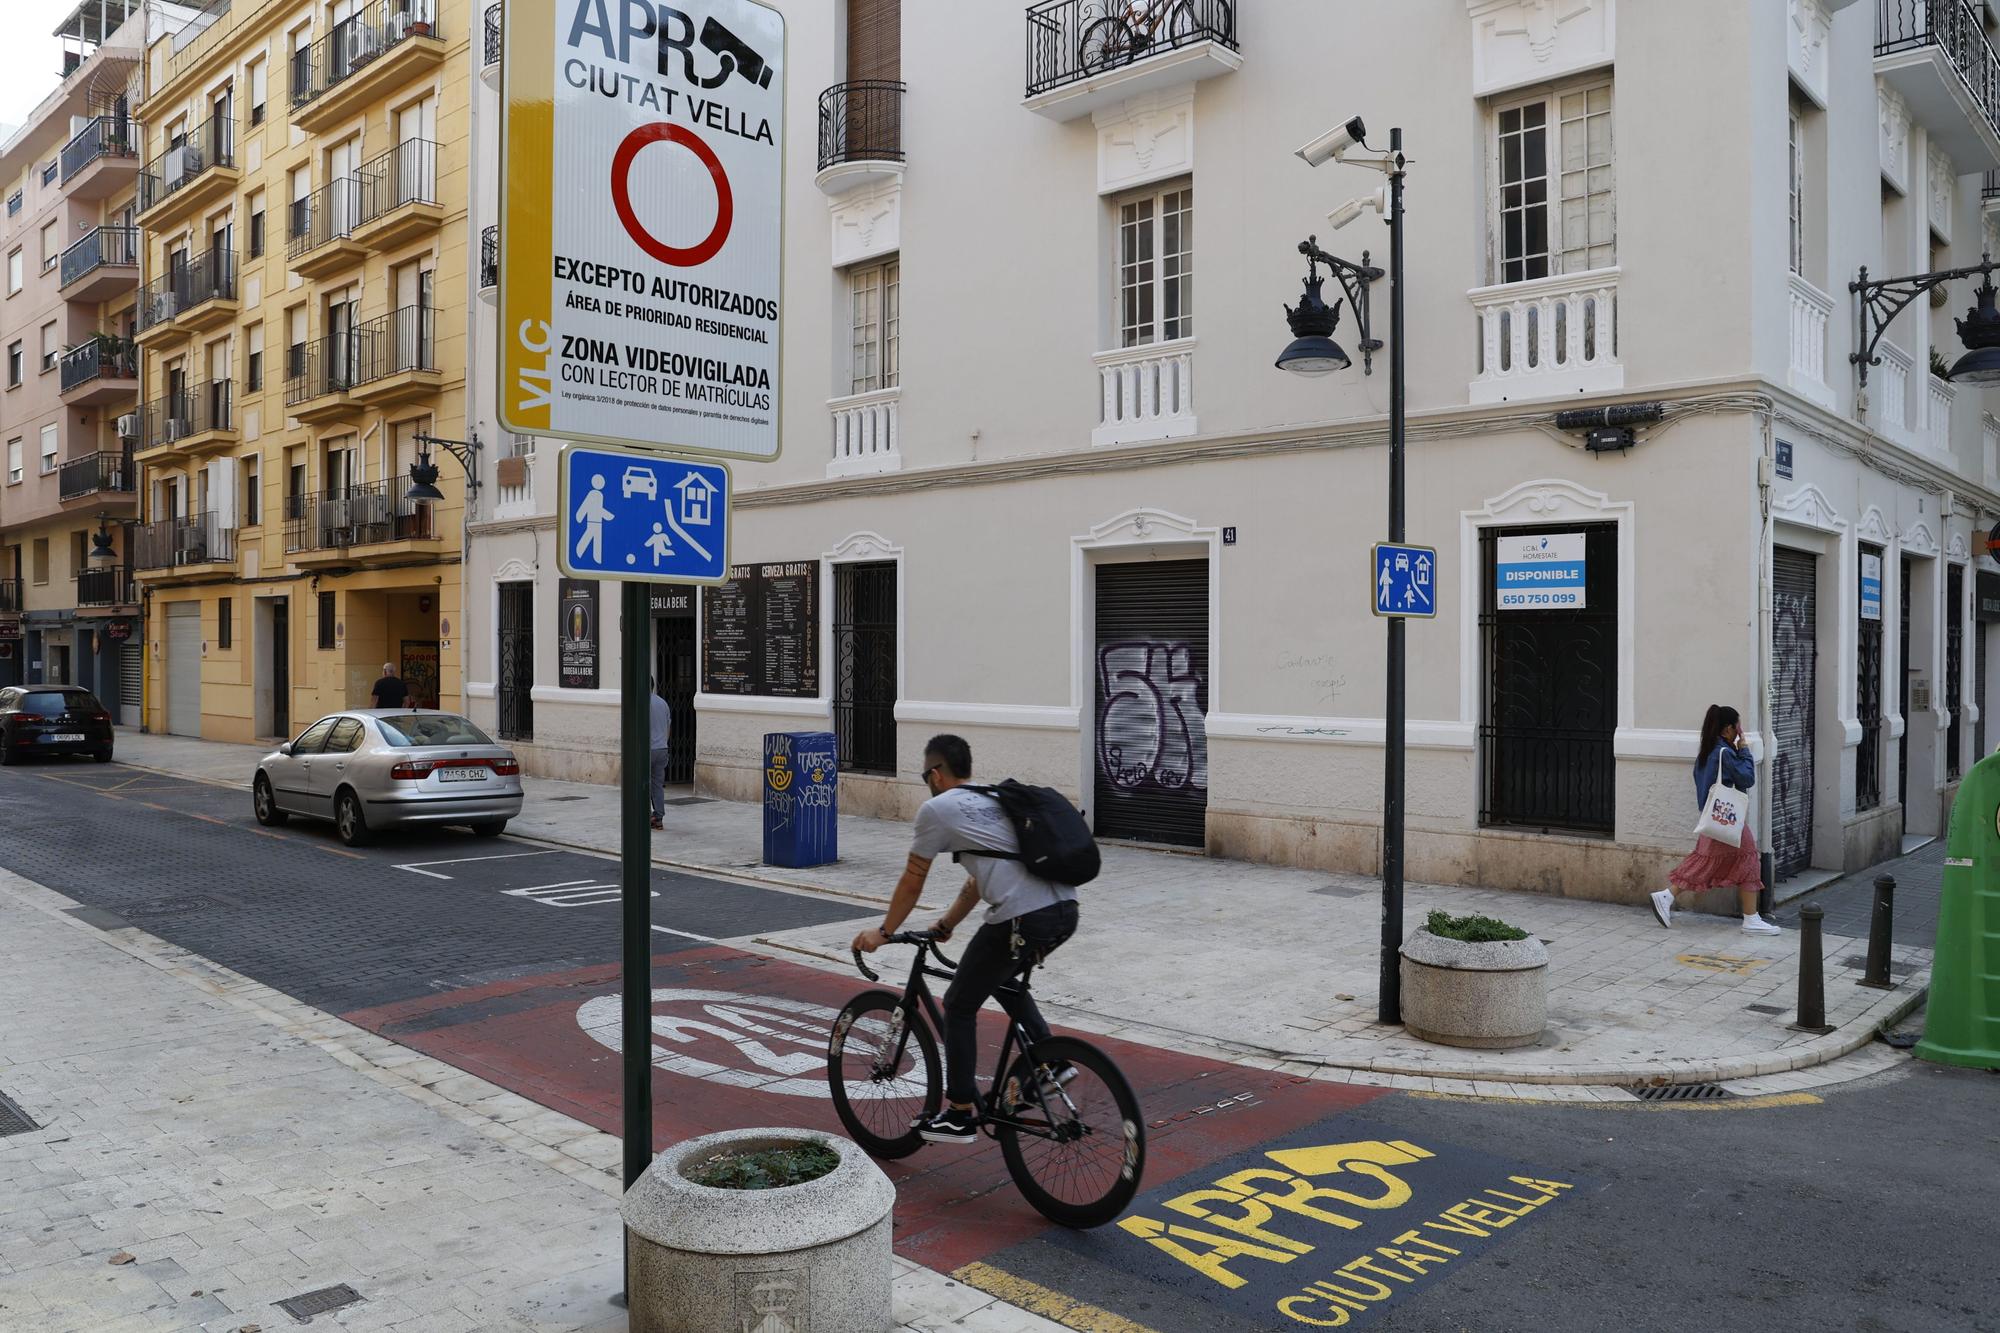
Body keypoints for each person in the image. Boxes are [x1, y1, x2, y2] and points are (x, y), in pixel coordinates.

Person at [852, 734, 1080, 1145]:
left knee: (958, 1003)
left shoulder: (937, 809)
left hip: (1021, 917)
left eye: (926, 776)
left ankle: (958, 1113)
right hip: (1063, 911)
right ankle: (1049, 1061)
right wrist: (947, 924)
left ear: (936, 774)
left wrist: (883, 933)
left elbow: (913, 878)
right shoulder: (994, 798)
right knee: (1003, 977)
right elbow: (979, 880)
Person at [1653, 704, 1779, 935]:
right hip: (1728, 818)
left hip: (1714, 817)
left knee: (1707, 861)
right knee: (1749, 858)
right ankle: (1751, 919)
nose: (1740, 732)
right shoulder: (1726, 753)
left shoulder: (1708, 752)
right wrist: (1744, 749)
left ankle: (1666, 896)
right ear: (1728, 729)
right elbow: (1747, 778)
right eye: (1738, 727)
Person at [648, 677, 671, 831]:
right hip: (662, 748)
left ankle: (646, 815)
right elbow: (668, 726)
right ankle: (659, 817)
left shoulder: (640, 703)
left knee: (642, 785)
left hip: (647, 750)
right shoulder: (662, 703)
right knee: (657, 785)